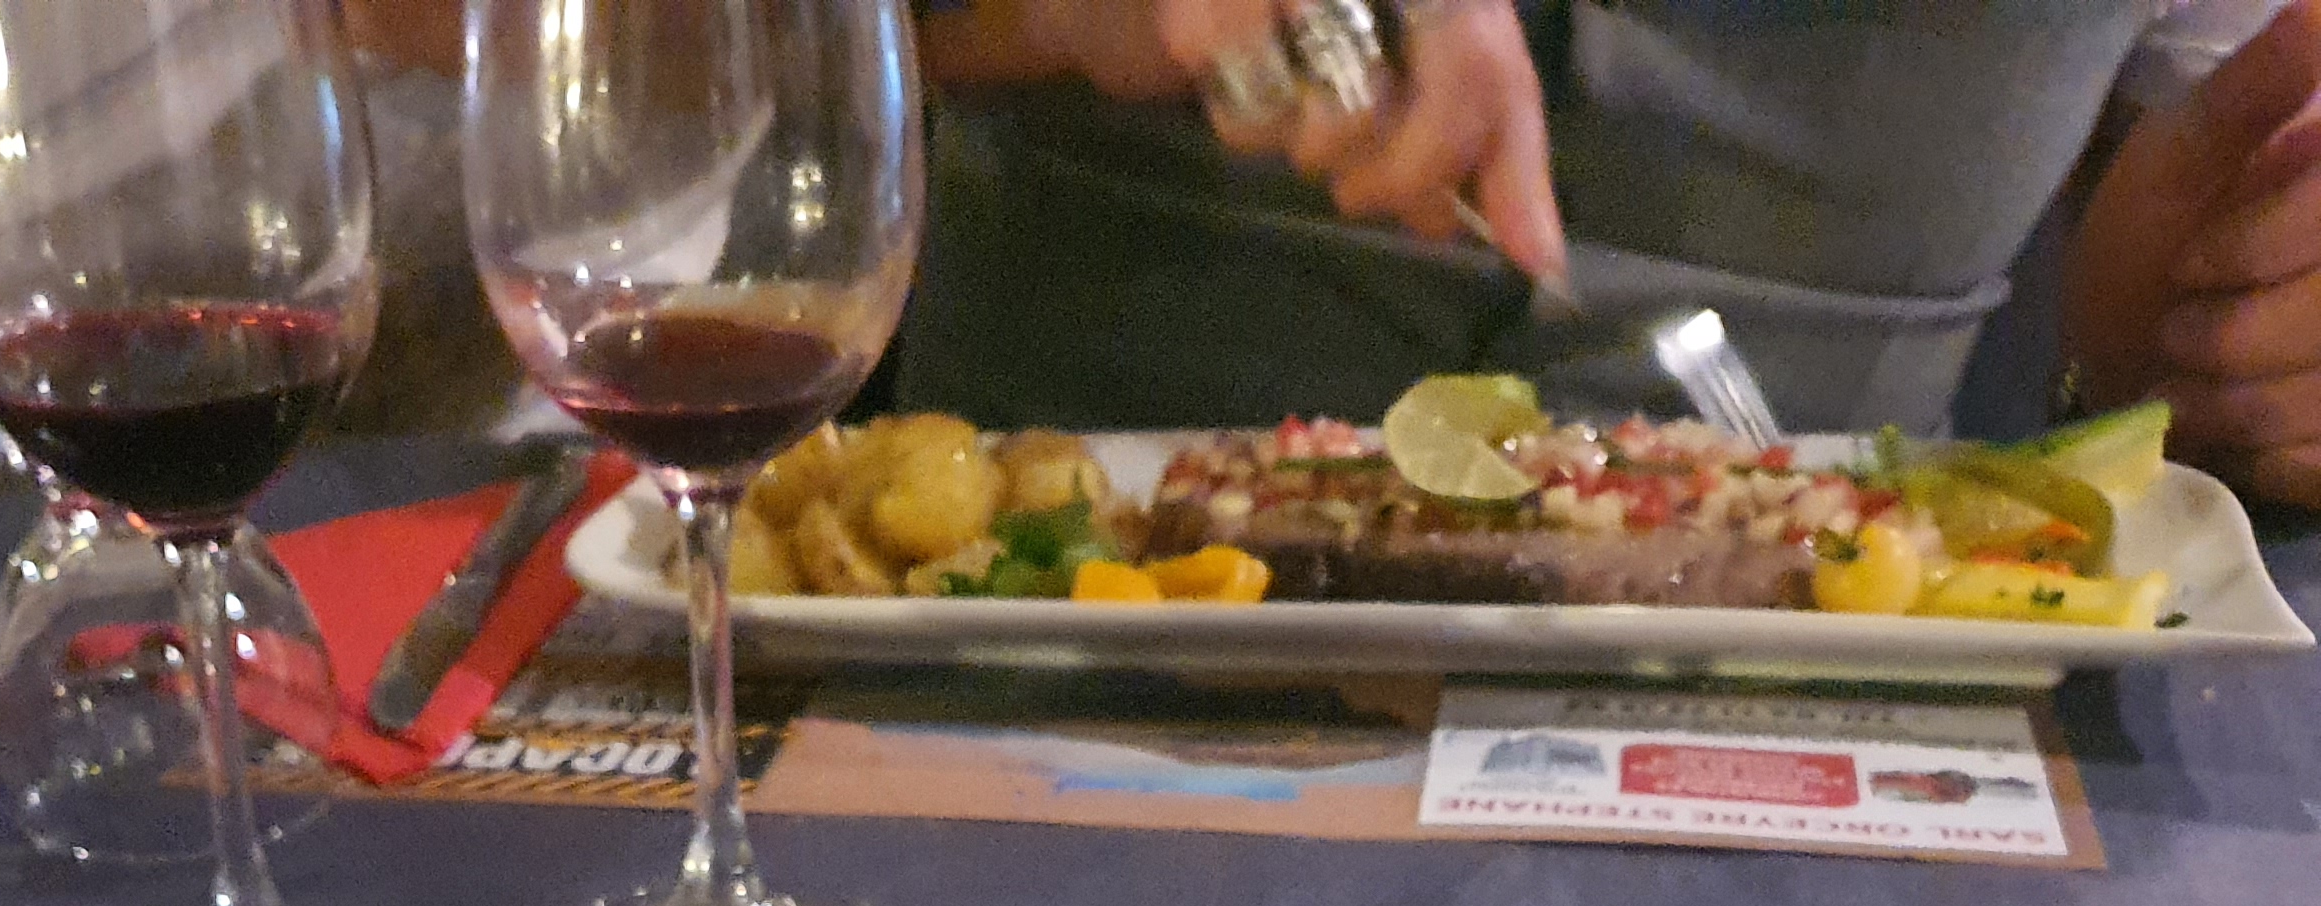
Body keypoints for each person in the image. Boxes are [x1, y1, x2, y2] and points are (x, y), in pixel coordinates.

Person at [902, 0, 2321, 498]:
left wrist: (2247, 333)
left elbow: (2157, 293)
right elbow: (765, 76)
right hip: (1025, 630)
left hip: (1865, 694)